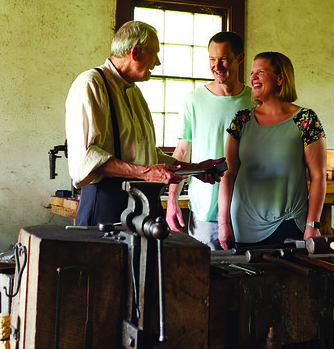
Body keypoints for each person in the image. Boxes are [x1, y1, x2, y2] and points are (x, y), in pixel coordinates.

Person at [65, 20, 223, 226]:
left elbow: (147, 154)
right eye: (155, 53)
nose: (157, 62)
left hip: (141, 203)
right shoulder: (91, 84)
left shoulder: (135, 93)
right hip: (105, 204)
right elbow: (86, 158)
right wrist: (148, 173)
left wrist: (195, 169)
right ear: (135, 53)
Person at [217, 51, 327, 250]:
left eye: (260, 72)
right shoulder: (241, 120)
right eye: (251, 73)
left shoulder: (306, 119)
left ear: (280, 78)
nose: (253, 77)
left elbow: (318, 175)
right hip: (244, 224)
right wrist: (223, 223)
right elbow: (228, 174)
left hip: (290, 223)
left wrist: (313, 224)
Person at [166, 32, 254, 249]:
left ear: (240, 58)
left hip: (250, 211)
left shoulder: (255, 101)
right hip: (206, 212)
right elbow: (182, 152)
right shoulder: (193, 100)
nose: (217, 66)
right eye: (212, 59)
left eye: (223, 58)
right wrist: (171, 201)